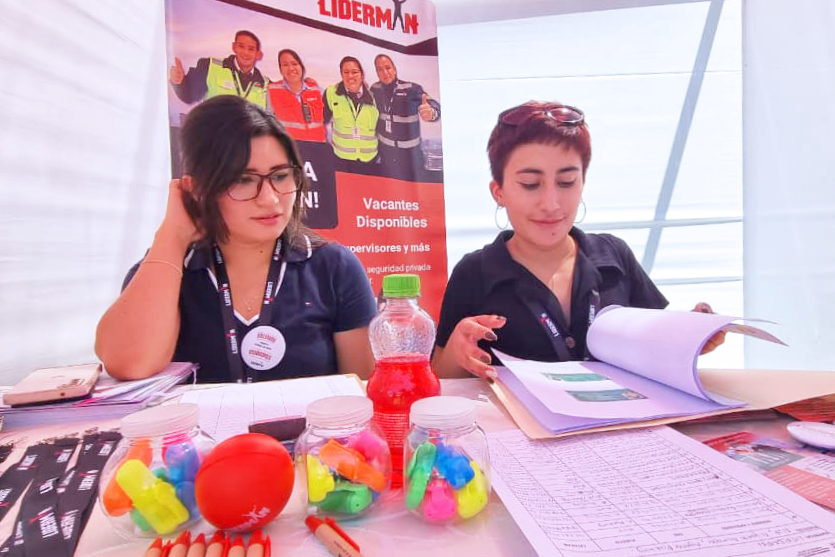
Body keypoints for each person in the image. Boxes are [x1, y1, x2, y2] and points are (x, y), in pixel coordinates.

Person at [432, 101, 725, 380]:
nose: (551, 203)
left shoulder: (615, 257)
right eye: (530, 184)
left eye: (566, 182)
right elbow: (442, 374)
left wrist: (691, 336)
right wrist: (458, 350)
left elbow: (653, 342)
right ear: (499, 191)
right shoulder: (475, 273)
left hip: (620, 427)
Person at [96, 96, 376, 383]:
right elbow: (130, 363)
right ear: (197, 188)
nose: (269, 199)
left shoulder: (332, 268)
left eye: (280, 176)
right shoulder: (167, 270)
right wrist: (172, 234)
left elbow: (362, 391)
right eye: (243, 180)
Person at [370, 54, 440, 180]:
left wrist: (432, 112)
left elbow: (432, 104)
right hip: (386, 156)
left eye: (388, 67)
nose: (385, 72)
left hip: (410, 157)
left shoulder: (412, 89)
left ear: (395, 69)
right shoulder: (374, 89)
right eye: (380, 69)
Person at [169, 30, 268, 108]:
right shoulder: (210, 67)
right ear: (234, 47)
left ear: (258, 54)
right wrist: (180, 83)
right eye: (241, 46)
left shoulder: (267, 84)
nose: (245, 52)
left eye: (251, 49)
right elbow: (189, 95)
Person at [323, 56, 380, 163]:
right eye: (346, 72)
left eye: (354, 72)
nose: (350, 76)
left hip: (369, 159)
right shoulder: (331, 93)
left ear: (362, 75)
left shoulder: (374, 96)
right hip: (341, 158)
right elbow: (321, 119)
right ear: (341, 74)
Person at [267, 49, 326, 142]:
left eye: (294, 64)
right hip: (289, 150)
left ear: (301, 67)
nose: (291, 68)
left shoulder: (317, 90)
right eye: (285, 65)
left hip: (317, 149)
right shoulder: (271, 91)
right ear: (280, 69)